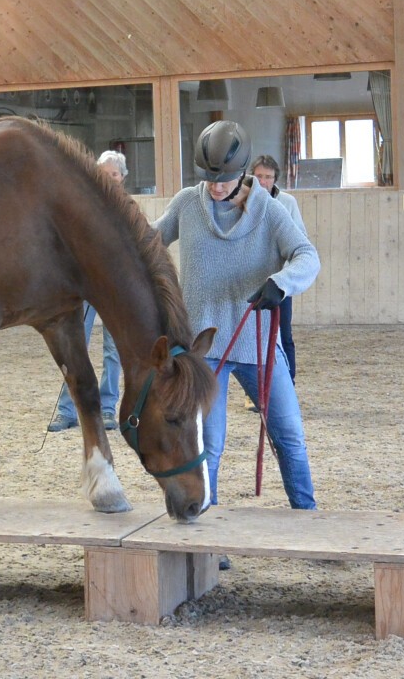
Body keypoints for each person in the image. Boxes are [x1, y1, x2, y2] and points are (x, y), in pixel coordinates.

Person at [153, 120, 321, 528]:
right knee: (209, 445)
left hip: (257, 346)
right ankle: (204, 527)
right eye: (208, 179)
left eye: (224, 180)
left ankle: (311, 519)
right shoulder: (186, 205)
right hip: (203, 351)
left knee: (290, 437)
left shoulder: (270, 210)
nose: (215, 187)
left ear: (242, 173)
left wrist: (281, 284)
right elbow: (149, 241)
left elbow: (307, 255)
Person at [46, 151, 126, 432]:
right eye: (103, 174)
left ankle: (107, 408)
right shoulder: (82, 208)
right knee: (73, 347)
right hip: (84, 288)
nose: (108, 179)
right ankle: (68, 410)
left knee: (112, 351)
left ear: (122, 178)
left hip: (115, 289)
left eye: (114, 174)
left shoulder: (128, 211)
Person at [250, 155, 307, 384]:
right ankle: (255, 386)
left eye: (268, 177)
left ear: (275, 179)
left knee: (284, 334)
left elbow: (300, 238)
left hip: (279, 281)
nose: (263, 181)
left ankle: (288, 382)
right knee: (253, 337)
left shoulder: (287, 203)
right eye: (258, 176)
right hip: (252, 279)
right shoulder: (244, 202)